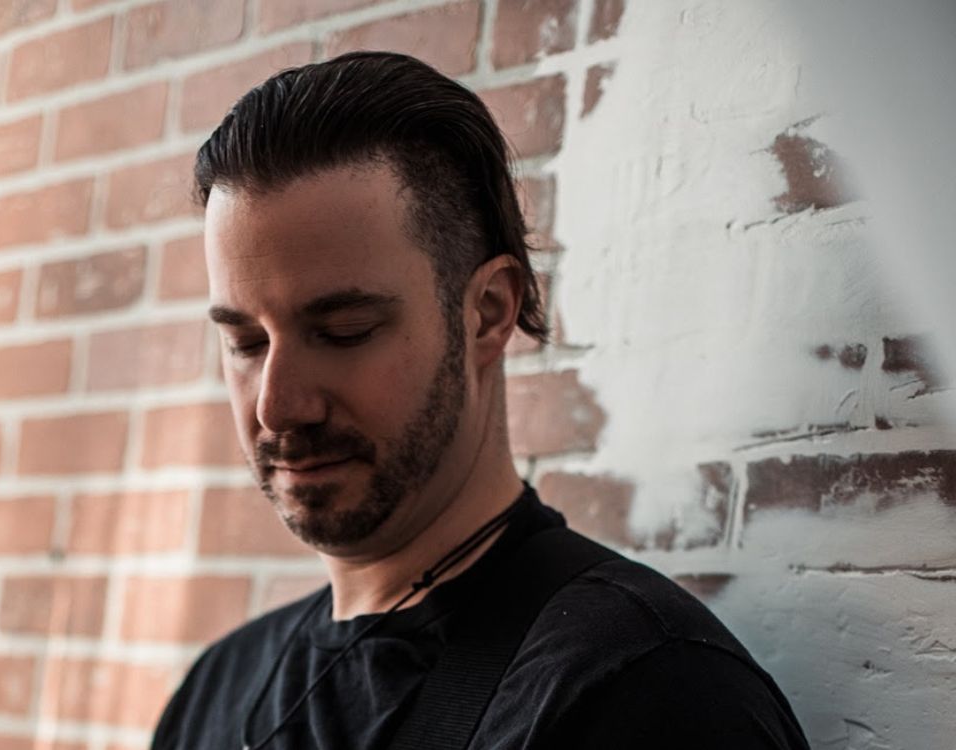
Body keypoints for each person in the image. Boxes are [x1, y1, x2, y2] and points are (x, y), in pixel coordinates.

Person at [152, 51, 810, 749]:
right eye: (247, 343)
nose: (277, 407)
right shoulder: (215, 693)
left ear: (489, 312)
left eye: (344, 332)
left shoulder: (645, 691)